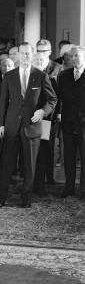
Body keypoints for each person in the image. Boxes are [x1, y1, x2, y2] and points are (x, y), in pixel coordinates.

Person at [0, 42, 57, 209]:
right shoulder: (9, 76)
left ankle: (26, 198)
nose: (25, 56)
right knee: (6, 164)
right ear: (18, 55)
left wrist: (42, 111)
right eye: (23, 53)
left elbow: (52, 99)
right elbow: (3, 103)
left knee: (30, 166)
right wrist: (1, 125)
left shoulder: (40, 76)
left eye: (28, 53)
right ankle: (1, 198)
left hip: (32, 127)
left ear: (32, 54)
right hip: (11, 126)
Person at [32, 39, 61, 195]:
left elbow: (58, 95)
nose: (41, 54)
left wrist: (57, 113)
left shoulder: (56, 68)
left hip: (49, 115)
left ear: (50, 52)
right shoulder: (33, 66)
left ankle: (43, 183)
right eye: (39, 50)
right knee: (33, 150)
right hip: (32, 114)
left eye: (44, 51)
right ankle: (35, 182)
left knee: (45, 150)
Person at [57, 45, 85, 199]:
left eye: (76, 56)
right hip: (68, 123)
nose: (73, 59)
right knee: (68, 156)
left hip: (84, 124)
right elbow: (60, 98)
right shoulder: (64, 75)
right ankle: (69, 187)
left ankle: (84, 189)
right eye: (71, 56)